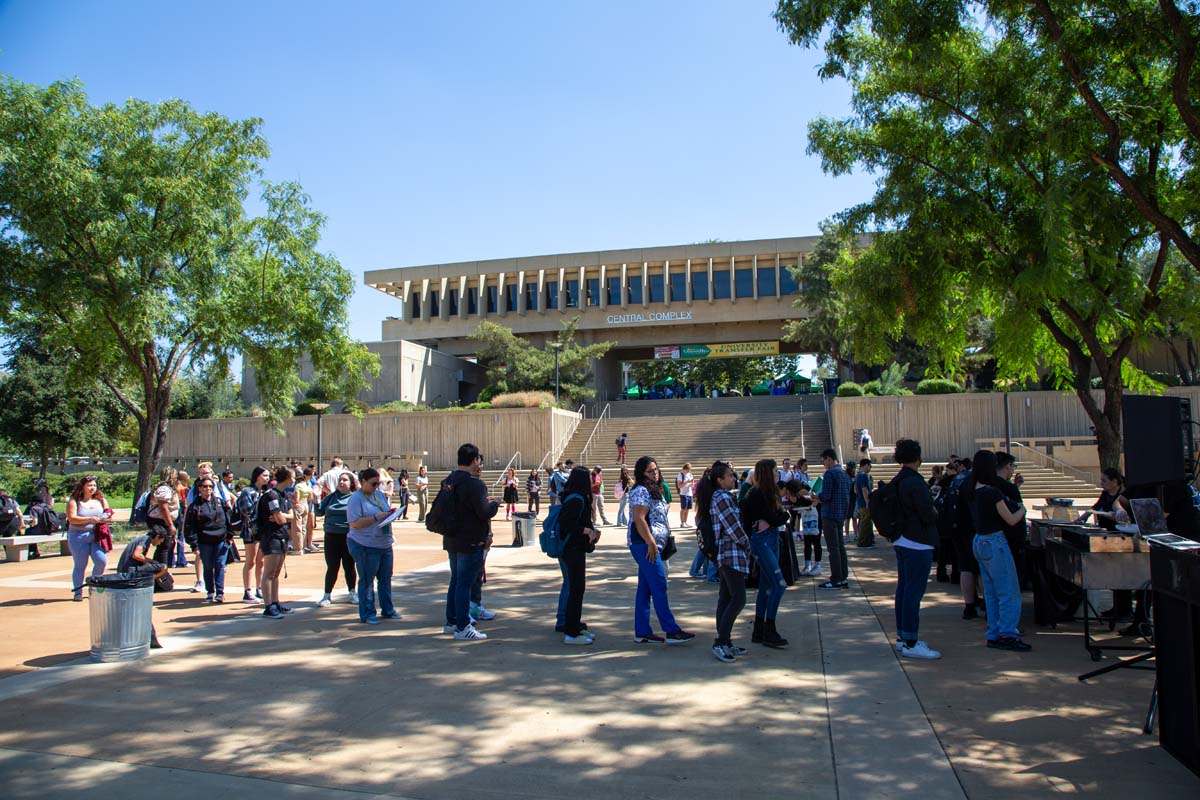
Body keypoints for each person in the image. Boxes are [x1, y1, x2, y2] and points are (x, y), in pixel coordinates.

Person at [967, 450, 1032, 652]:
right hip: (995, 542)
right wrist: (1022, 509)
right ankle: (1008, 633)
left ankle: (995, 632)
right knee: (1009, 591)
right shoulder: (992, 492)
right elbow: (1011, 519)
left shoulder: (972, 488)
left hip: (980, 540)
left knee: (992, 592)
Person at [627, 456, 695, 644]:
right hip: (645, 545)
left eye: (656, 469)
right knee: (659, 585)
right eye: (650, 471)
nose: (654, 473)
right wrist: (650, 542)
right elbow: (639, 519)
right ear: (642, 473)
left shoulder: (654, 490)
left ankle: (642, 631)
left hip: (651, 544)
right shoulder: (641, 490)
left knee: (645, 588)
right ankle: (671, 630)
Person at [888, 439, 942, 660]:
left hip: (902, 540)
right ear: (918, 457)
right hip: (917, 541)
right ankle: (910, 641)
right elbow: (927, 513)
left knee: (904, 589)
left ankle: (904, 637)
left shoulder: (899, 480)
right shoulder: (915, 482)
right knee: (913, 592)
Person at [440, 443, 499, 641]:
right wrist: (495, 504)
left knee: (455, 581)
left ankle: (452, 621)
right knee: (464, 584)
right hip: (470, 540)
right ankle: (463, 626)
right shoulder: (474, 484)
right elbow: (484, 512)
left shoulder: (448, 481)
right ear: (474, 460)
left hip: (452, 538)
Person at [698, 461, 751, 662]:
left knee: (727, 598)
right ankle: (721, 642)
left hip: (729, 554)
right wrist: (747, 543)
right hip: (730, 554)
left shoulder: (723, 496)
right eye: (729, 476)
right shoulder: (721, 497)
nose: (733, 478)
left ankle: (725, 641)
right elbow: (732, 526)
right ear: (720, 480)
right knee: (738, 599)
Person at [740, 459, 791, 648]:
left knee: (766, 585)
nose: (778, 474)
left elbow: (774, 519)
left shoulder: (770, 493)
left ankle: (760, 629)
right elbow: (775, 518)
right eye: (775, 471)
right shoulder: (757, 493)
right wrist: (781, 517)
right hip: (762, 541)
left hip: (771, 538)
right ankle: (769, 627)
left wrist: (777, 518)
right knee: (779, 584)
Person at [346, 467, 399, 625]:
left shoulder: (379, 495)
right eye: (373, 483)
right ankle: (368, 613)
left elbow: (384, 511)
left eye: (379, 483)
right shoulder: (356, 499)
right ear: (363, 482)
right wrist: (376, 517)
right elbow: (354, 523)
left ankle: (388, 609)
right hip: (365, 544)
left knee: (385, 578)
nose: (376, 487)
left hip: (384, 542)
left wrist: (390, 515)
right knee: (368, 579)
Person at [556, 467, 602, 644]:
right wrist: (586, 530)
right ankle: (571, 632)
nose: (592, 480)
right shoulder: (576, 500)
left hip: (575, 548)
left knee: (576, 588)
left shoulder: (577, 498)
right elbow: (566, 525)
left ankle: (573, 624)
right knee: (576, 588)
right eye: (589, 477)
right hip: (572, 549)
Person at [115, 527, 170, 649]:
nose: (160, 543)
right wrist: (152, 562)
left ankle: (151, 579)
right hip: (130, 572)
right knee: (163, 567)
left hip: (128, 571)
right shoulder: (145, 540)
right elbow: (136, 555)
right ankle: (152, 579)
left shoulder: (142, 539)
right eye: (161, 540)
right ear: (157, 536)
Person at [183, 476, 234, 602]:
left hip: (221, 540)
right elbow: (190, 527)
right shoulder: (195, 506)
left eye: (210, 486)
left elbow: (228, 519)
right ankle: (210, 592)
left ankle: (220, 593)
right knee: (208, 566)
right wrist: (194, 545)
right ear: (199, 488)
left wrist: (230, 535)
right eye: (204, 486)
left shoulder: (219, 502)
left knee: (220, 565)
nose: (208, 489)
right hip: (204, 541)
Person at [66, 475, 114, 601]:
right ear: (82, 487)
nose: (92, 488)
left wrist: (106, 518)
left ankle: (94, 587)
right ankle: (78, 592)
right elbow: (72, 518)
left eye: (94, 485)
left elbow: (108, 512)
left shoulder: (100, 499)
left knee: (101, 561)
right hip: (78, 536)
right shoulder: (75, 501)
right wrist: (90, 519)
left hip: (96, 536)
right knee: (80, 565)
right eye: (89, 485)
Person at [256, 467, 295, 620]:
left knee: (276, 573)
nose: (294, 480)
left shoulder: (283, 495)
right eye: (292, 477)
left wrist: (284, 516)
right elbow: (279, 519)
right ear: (286, 478)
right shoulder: (271, 496)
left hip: (282, 536)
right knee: (269, 573)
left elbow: (291, 515)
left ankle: (275, 601)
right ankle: (268, 606)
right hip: (271, 537)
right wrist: (284, 517)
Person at [315, 470, 358, 607]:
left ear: (351, 483)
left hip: (348, 536)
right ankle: (327, 595)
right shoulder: (331, 497)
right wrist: (316, 500)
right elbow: (319, 511)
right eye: (340, 480)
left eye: (345, 480)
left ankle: (352, 592)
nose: (341, 482)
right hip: (331, 537)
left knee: (349, 565)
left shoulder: (355, 498)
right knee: (332, 566)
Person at [814, 449, 852, 590]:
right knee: (840, 547)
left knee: (833, 548)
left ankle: (836, 578)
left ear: (829, 459)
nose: (823, 464)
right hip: (841, 513)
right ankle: (843, 576)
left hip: (829, 514)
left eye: (824, 460)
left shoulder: (830, 473)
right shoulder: (844, 473)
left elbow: (826, 496)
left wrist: (816, 496)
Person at [237, 466, 268, 604]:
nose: (267, 478)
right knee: (251, 560)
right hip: (251, 530)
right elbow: (246, 511)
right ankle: (247, 590)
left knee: (261, 561)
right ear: (257, 476)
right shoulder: (247, 492)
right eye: (264, 475)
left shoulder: (263, 492)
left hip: (262, 529)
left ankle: (259, 588)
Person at [294, 465, 318, 553]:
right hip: (304, 505)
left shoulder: (301, 485)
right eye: (311, 474)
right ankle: (301, 546)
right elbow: (309, 497)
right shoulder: (306, 485)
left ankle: (299, 547)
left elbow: (298, 499)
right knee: (301, 527)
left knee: (299, 527)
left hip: (302, 504)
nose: (312, 476)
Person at [853, 459, 875, 548]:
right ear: (865, 465)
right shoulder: (863, 476)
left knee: (865, 521)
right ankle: (862, 542)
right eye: (870, 466)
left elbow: (855, 490)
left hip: (859, 501)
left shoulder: (857, 476)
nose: (870, 468)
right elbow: (864, 489)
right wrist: (867, 502)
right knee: (865, 522)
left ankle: (867, 541)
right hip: (864, 503)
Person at [676, 463, 695, 528]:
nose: (689, 471)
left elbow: (692, 485)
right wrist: (686, 482)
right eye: (688, 469)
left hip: (690, 493)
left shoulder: (690, 474)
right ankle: (682, 523)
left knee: (688, 509)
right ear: (685, 468)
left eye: (690, 470)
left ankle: (685, 522)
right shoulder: (680, 474)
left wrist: (692, 483)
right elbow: (679, 486)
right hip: (683, 493)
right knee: (683, 509)